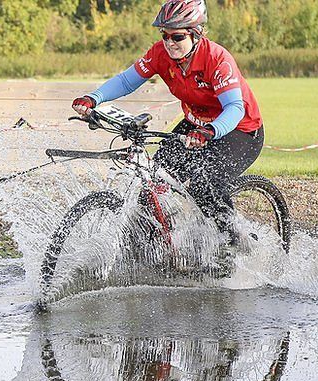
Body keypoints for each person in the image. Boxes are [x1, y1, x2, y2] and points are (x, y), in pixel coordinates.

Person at [72, 0, 264, 244]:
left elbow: (235, 108)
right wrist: (93, 98)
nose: (170, 43)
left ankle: (233, 241)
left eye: (178, 37)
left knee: (205, 181)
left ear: (196, 34)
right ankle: (158, 247)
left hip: (239, 130)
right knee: (153, 179)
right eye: (165, 36)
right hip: (196, 125)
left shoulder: (217, 59)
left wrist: (209, 131)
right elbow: (126, 81)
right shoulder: (161, 54)